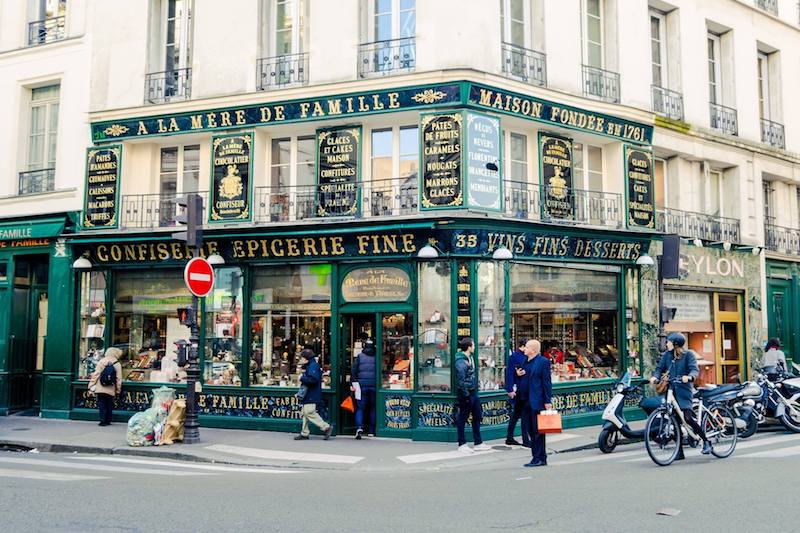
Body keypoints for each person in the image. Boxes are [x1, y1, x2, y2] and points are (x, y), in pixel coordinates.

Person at [650, 332, 712, 457]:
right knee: (675, 420)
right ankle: (679, 451)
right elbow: (659, 369)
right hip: (671, 392)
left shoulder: (688, 355)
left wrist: (689, 377)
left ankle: (706, 441)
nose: (666, 344)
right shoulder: (667, 356)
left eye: (668, 342)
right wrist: (654, 377)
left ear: (675, 343)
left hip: (684, 392)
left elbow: (694, 369)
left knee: (687, 418)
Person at [518, 339, 552, 467]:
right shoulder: (525, 361)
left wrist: (547, 400)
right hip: (525, 400)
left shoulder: (543, 362)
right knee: (530, 430)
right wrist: (518, 374)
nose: (524, 349)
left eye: (526, 347)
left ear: (533, 350)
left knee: (538, 431)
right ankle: (537, 457)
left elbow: (546, 382)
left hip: (537, 400)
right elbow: (521, 375)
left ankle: (539, 458)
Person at [455, 337, 491, 453]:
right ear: (469, 347)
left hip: (473, 392)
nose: (475, 347)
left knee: (477, 416)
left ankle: (478, 442)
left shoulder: (469, 358)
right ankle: (462, 444)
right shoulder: (461, 361)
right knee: (462, 418)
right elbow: (461, 380)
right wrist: (466, 395)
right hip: (466, 394)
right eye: (473, 345)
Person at [294, 349, 333, 441]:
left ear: (306, 358)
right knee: (304, 413)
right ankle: (304, 433)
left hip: (311, 394)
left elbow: (313, 379)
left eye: (302, 358)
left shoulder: (313, 366)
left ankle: (326, 427)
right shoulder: (311, 365)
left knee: (309, 412)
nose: (301, 360)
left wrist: (302, 378)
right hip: (310, 393)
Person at [88, 347, 123, 426]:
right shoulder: (117, 364)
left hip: (100, 387)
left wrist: (91, 385)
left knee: (102, 404)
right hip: (111, 388)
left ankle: (102, 420)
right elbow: (118, 379)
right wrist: (118, 390)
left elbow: (96, 375)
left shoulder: (101, 361)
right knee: (109, 404)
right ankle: (108, 420)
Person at [504, 338, 529, 447]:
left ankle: (509, 437)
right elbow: (509, 373)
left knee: (515, 415)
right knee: (524, 415)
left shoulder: (526, 356)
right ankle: (525, 440)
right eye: (527, 347)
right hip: (518, 390)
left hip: (523, 389)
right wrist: (509, 389)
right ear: (522, 347)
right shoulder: (514, 357)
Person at [351, 339, 377, 439]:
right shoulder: (376, 357)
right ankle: (371, 431)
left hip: (361, 386)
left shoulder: (360, 357)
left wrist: (352, 383)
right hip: (374, 385)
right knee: (373, 408)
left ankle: (359, 427)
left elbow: (354, 371)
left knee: (360, 408)